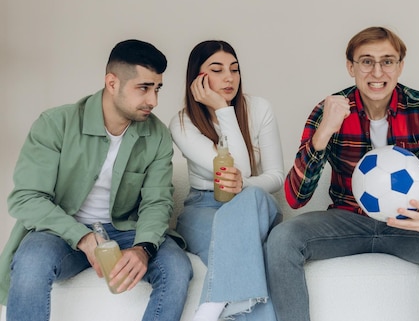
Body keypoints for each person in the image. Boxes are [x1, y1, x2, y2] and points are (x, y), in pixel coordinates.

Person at [266, 26, 419, 321]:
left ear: (400, 66)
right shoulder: (329, 110)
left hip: (408, 223)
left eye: (387, 61)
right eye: (366, 61)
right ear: (351, 67)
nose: (377, 72)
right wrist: (323, 133)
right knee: (282, 239)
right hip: (347, 220)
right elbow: (295, 197)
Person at [0, 39, 193, 321]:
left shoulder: (157, 135)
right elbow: (26, 198)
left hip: (126, 231)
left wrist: (143, 247)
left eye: (157, 88)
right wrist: (82, 237)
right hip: (61, 233)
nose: (153, 100)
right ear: (112, 83)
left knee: (177, 268)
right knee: (30, 262)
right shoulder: (56, 124)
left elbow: (157, 201)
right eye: (143, 88)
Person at [169, 40, 284, 321]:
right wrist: (221, 108)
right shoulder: (182, 123)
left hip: (253, 206)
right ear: (198, 77)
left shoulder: (259, 109)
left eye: (234, 69)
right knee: (251, 256)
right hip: (203, 208)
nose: (229, 77)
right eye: (217, 70)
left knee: (253, 196)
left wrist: (223, 109)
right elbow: (235, 169)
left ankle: (209, 308)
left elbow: (271, 176)